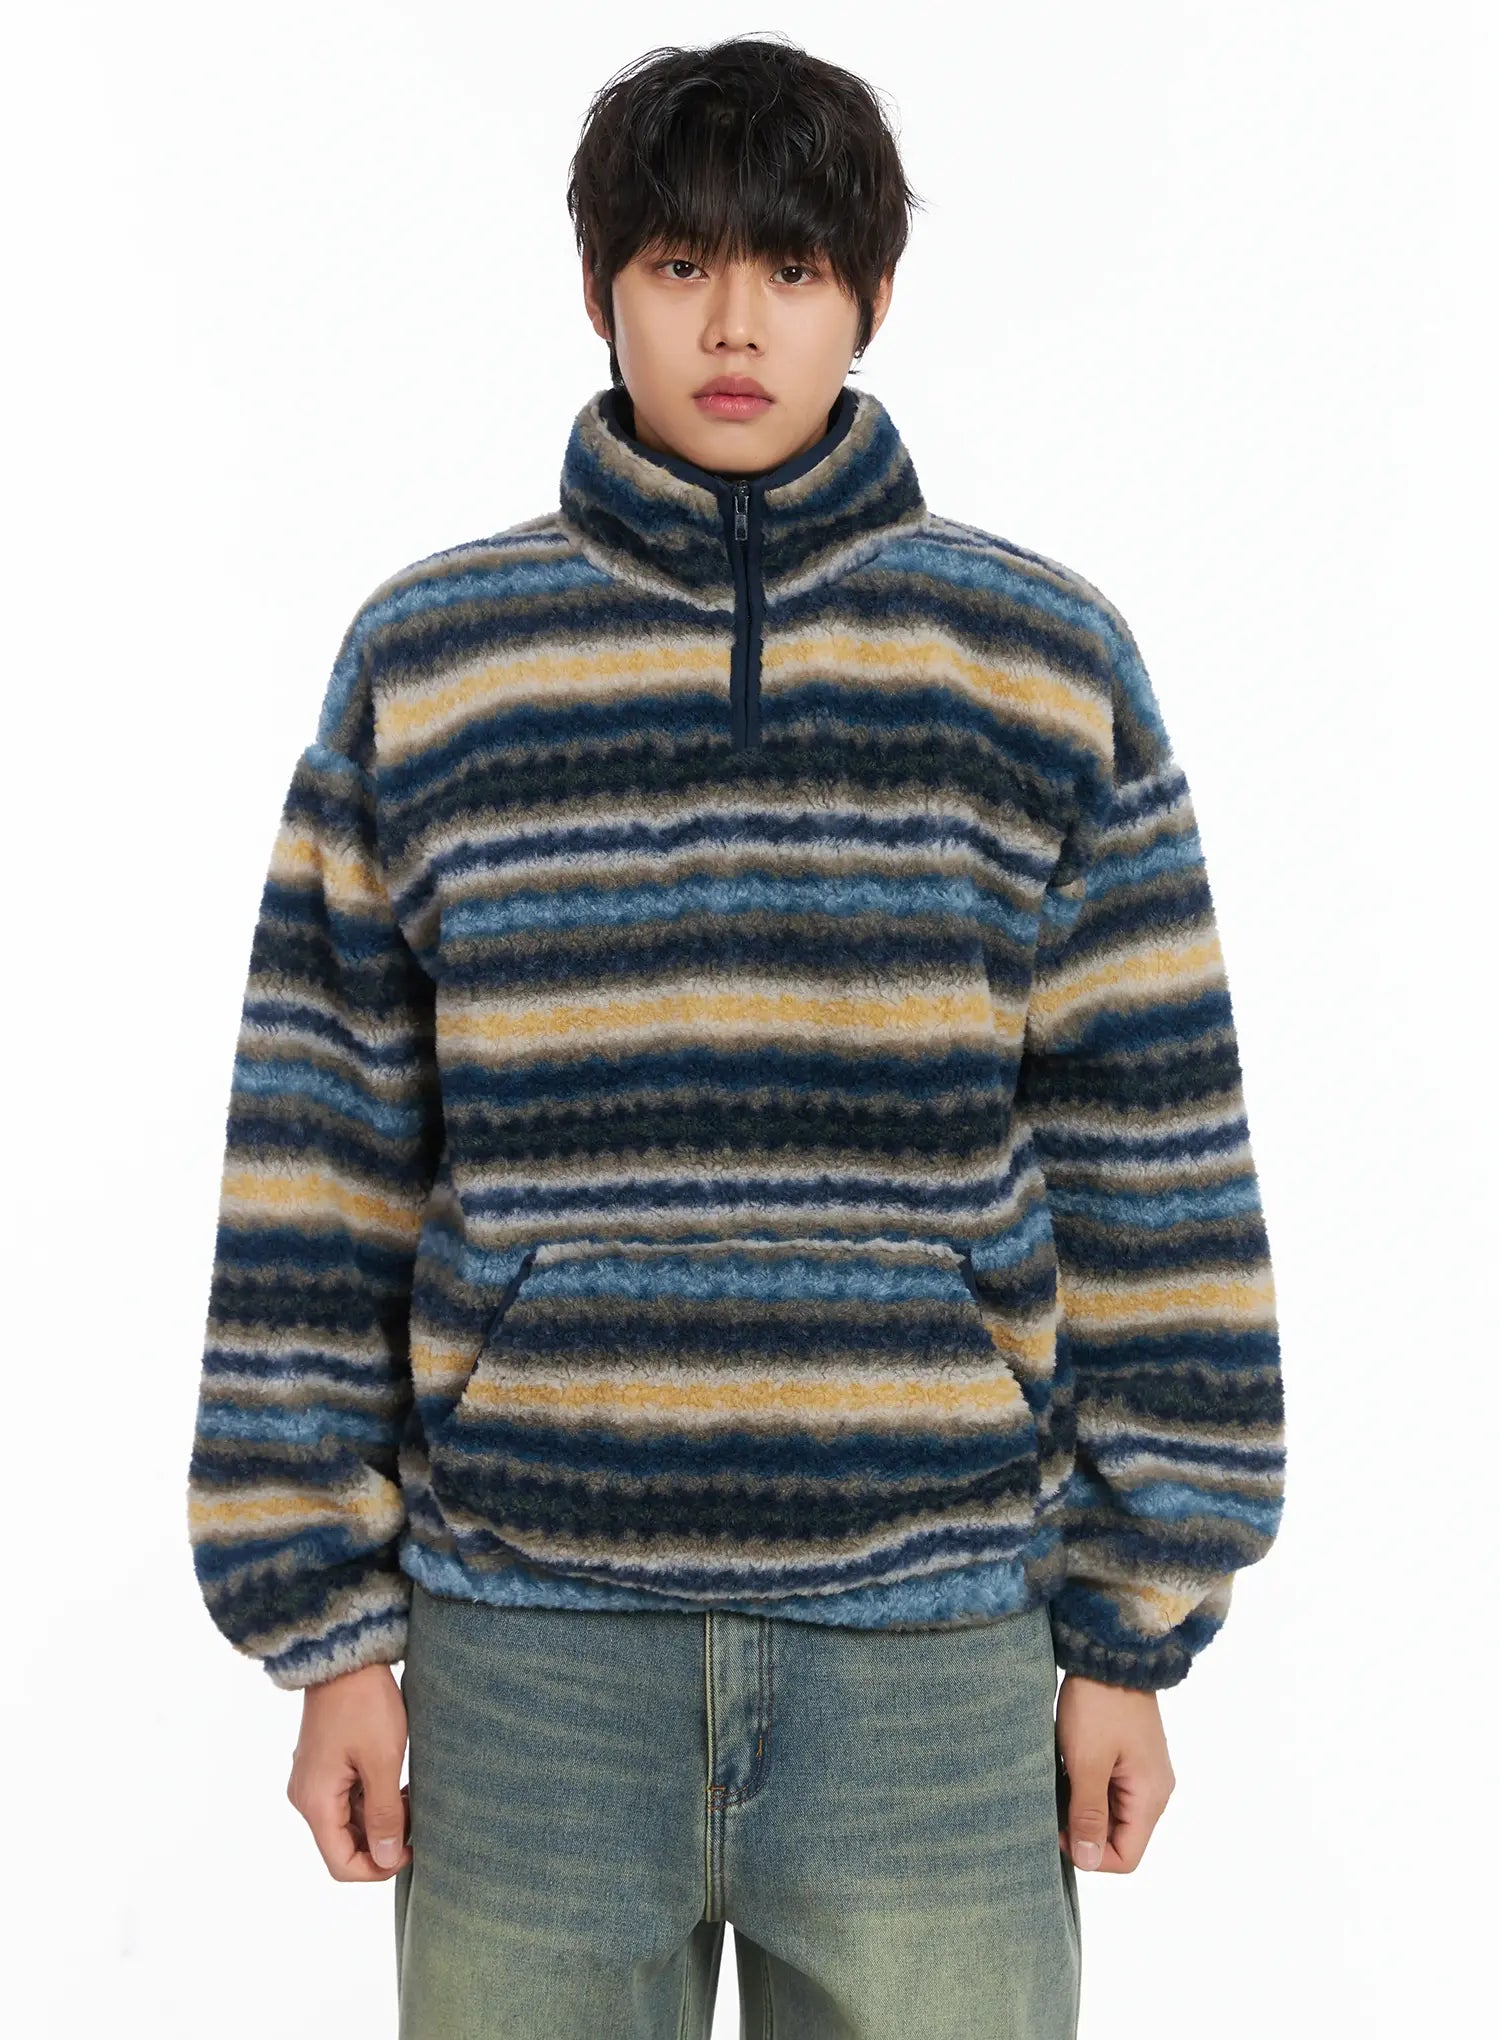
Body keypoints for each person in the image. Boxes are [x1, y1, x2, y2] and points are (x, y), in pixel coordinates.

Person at [186, 32, 1285, 2038]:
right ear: (597, 284)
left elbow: (1154, 1152)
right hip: (526, 1654)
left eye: (790, 269)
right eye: (680, 262)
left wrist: (1135, 1626)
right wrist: (325, 1633)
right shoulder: (434, 662)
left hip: (935, 1653)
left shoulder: (1038, 662)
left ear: (873, 294)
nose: (733, 325)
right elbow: (322, 1157)